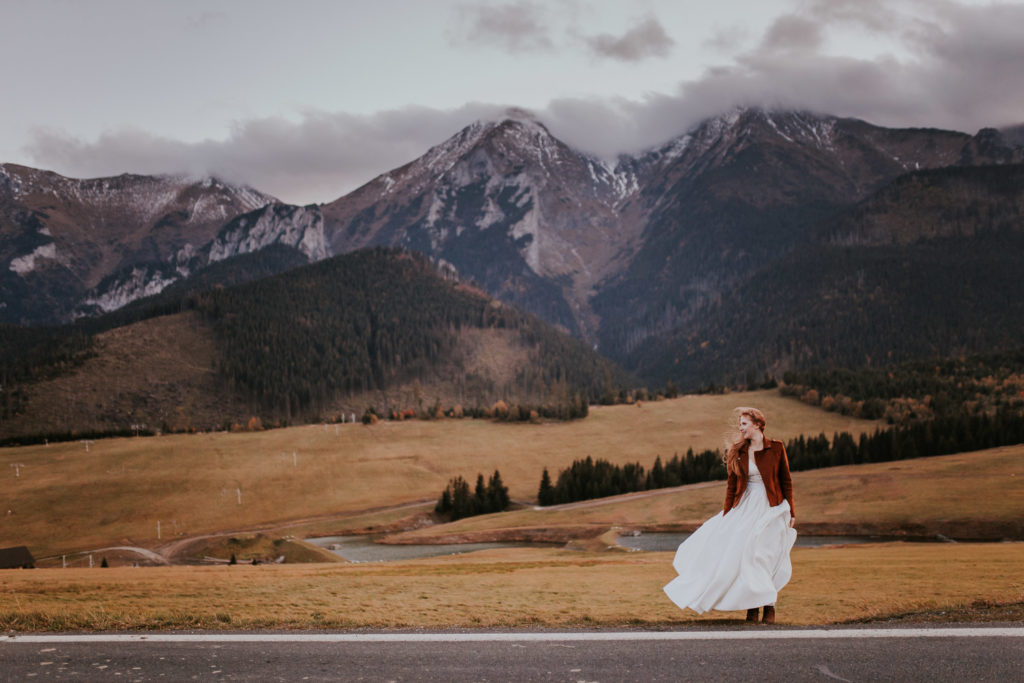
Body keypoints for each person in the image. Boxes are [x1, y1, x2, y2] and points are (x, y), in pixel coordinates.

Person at [663, 407, 797, 624]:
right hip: (745, 506)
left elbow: (786, 481)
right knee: (748, 556)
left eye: (744, 423)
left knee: (768, 557)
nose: (740, 428)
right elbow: (731, 486)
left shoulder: (777, 448)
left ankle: (769, 606)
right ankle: (753, 607)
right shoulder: (738, 451)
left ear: (757, 424)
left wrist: (791, 511)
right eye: (740, 424)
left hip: (772, 508)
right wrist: (726, 514)